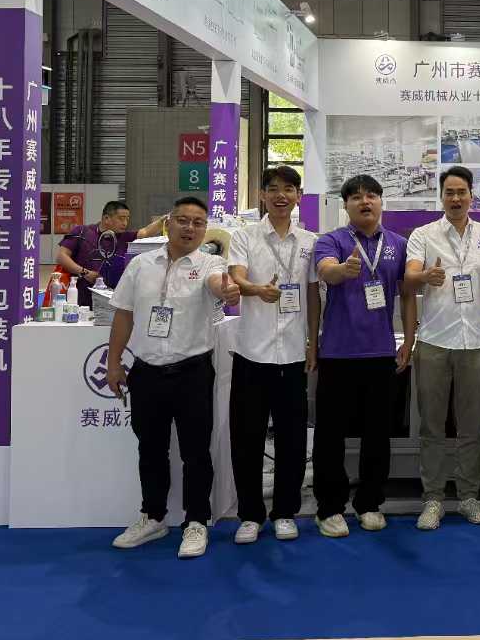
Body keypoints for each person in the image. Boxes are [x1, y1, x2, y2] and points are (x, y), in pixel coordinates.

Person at [106, 196, 241, 559]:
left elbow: (218, 285)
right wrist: (114, 363)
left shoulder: (211, 263)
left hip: (192, 372)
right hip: (146, 372)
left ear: (205, 229)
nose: (190, 228)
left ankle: (196, 521)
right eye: (183, 220)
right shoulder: (140, 265)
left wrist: (227, 289)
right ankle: (153, 517)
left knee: (197, 451)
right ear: (169, 224)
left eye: (198, 223)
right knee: (150, 449)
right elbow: (123, 315)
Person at [311, 174, 416, 537]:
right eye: (356, 197)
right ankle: (329, 508)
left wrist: (409, 340)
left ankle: (370, 503)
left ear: (381, 201)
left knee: (378, 434)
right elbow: (325, 271)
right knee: (330, 435)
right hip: (338, 353)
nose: (365, 201)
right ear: (346, 206)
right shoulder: (332, 240)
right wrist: (341, 271)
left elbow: (407, 294)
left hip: (381, 352)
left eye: (371, 195)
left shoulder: (398, 244)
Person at [226, 165, 319, 545]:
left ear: (298, 196)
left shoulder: (310, 241)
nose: (281, 195)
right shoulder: (244, 236)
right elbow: (236, 276)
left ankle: (285, 512)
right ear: (262, 195)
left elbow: (313, 295)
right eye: (274, 189)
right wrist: (255, 290)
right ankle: (250, 514)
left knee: (293, 440)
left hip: (293, 354)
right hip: (252, 352)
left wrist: (313, 343)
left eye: (289, 189)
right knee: (246, 438)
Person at [403, 166, 480, 530]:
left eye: (462, 192)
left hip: (474, 341)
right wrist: (425, 276)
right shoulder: (424, 234)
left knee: (471, 425)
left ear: (471, 195)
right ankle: (433, 499)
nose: (456, 198)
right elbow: (409, 277)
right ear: (441, 196)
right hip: (434, 341)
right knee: (432, 425)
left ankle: (469, 496)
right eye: (449, 192)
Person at [56, 201, 164, 307]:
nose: (125, 223)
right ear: (107, 218)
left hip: (111, 300)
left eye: (127, 219)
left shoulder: (125, 237)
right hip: (79, 297)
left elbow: (145, 232)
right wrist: (85, 273)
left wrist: (164, 220)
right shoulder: (81, 232)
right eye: (121, 218)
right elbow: (61, 256)